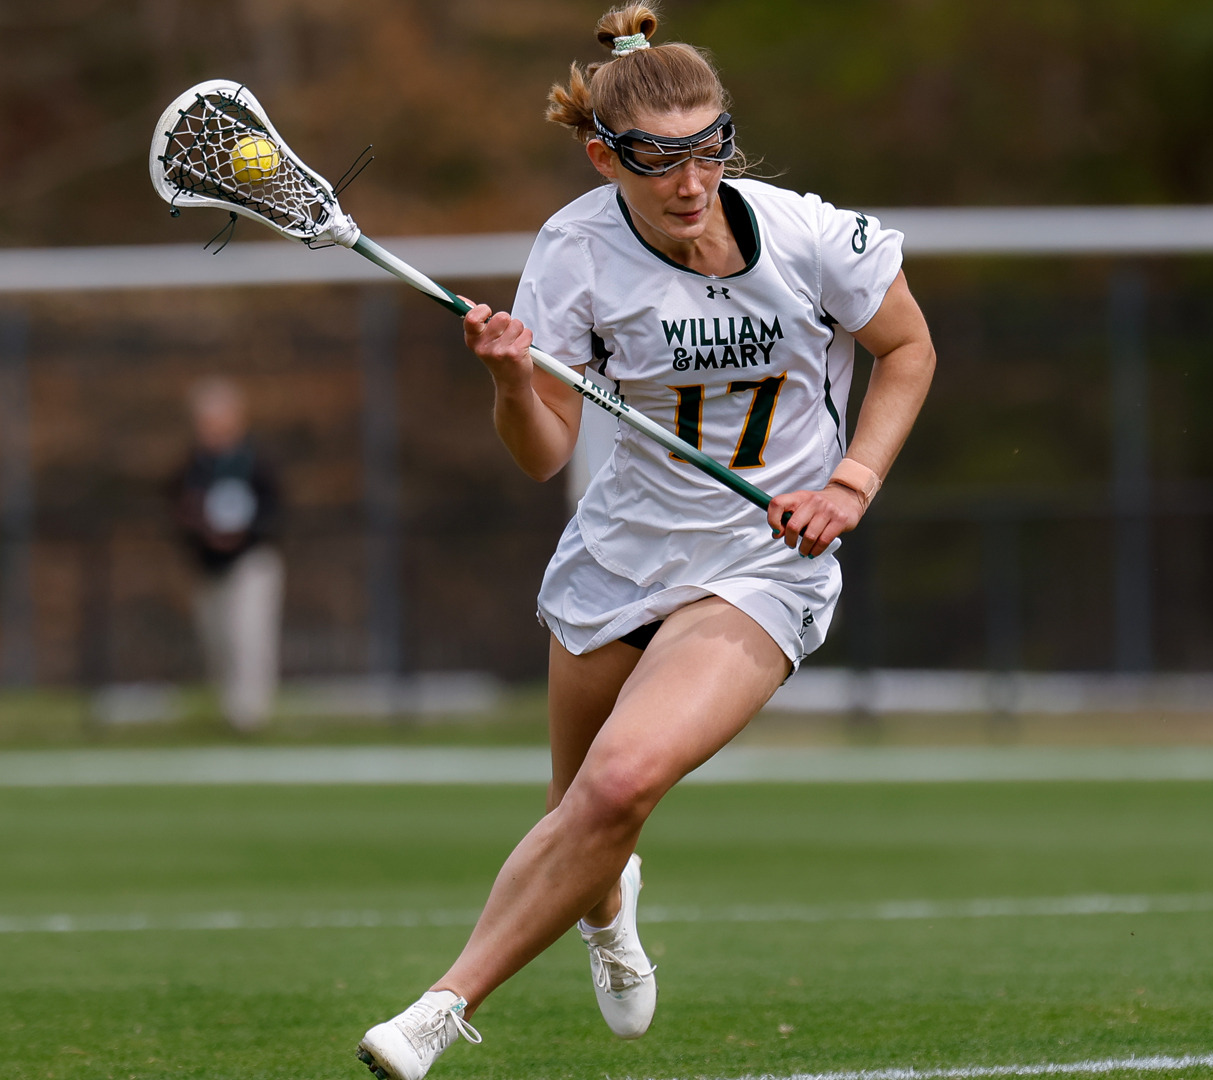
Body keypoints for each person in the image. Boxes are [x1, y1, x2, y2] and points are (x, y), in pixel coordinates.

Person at [354, 6, 936, 1078]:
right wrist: (508, 378)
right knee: (579, 811)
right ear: (603, 154)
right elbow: (542, 453)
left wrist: (849, 482)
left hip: (761, 567)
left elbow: (906, 348)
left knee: (618, 789)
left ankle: (438, 1009)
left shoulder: (809, 235)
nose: (690, 181)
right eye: (659, 159)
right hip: (619, 561)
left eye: (709, 148)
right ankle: (609, 915)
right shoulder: (574, 251)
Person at [169, 377, 283, 733]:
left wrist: (242, 536)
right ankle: (229, 711)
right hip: (208, 565)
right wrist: (201, 532)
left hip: (251, 561)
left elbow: (274, 511)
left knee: (249, 635)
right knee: (218, 640)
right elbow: (177, 510)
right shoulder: (191, 466)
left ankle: (249, 716)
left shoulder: (256, 461)